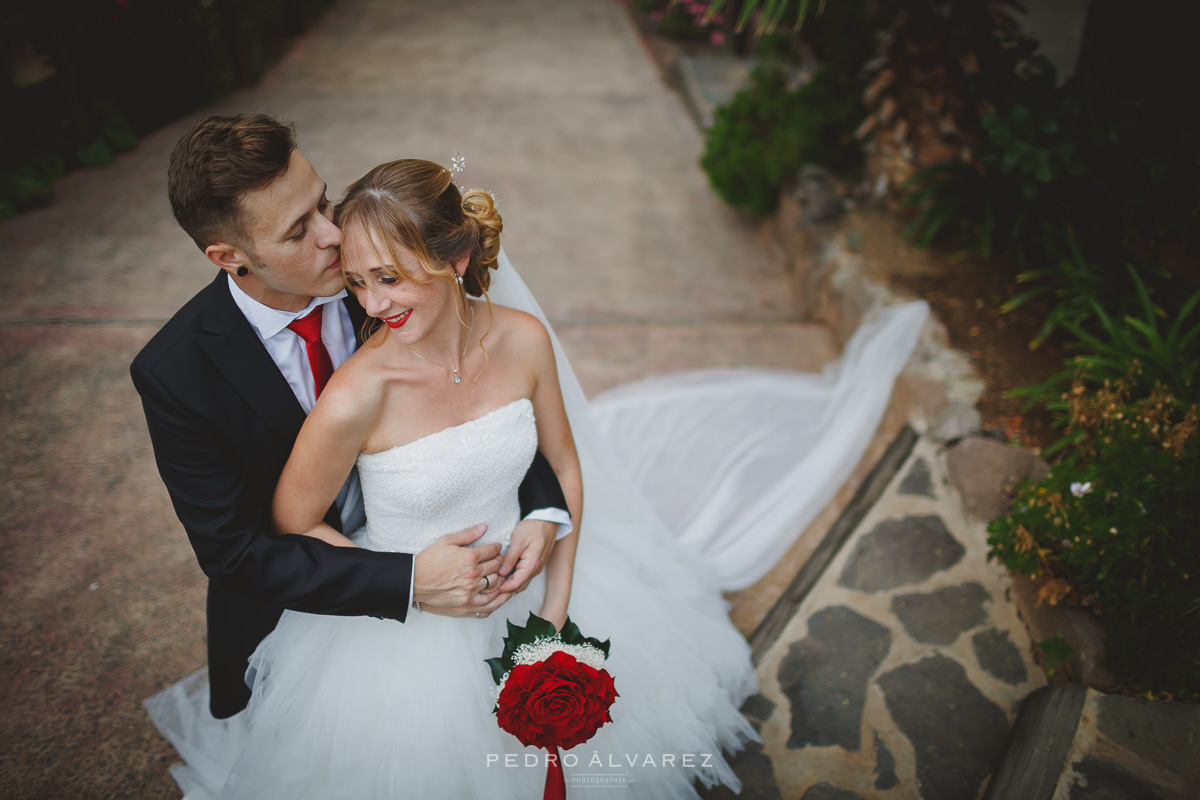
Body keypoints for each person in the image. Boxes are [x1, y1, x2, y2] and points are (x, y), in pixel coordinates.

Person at [149, 158, 761, 798]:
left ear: (458, 257)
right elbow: (273, 531)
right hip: (400, 625)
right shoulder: (348, 388)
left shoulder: (509, 330)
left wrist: (553, 604)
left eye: (385, 277)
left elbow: (557, 461)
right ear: (231, 256)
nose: (366, 296)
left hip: (532, 587)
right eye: (359, 282)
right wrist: (404, 578)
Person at [131, 114, 572, 722]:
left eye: (323, 202)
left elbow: (484, 398)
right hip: (315, 612)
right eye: (297, 232)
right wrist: (408, 581)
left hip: (478, 550)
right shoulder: (177, 373)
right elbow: (238, 554)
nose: (334, 236)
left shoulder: (382, 273)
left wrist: (544, 509)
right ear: (231, 256)